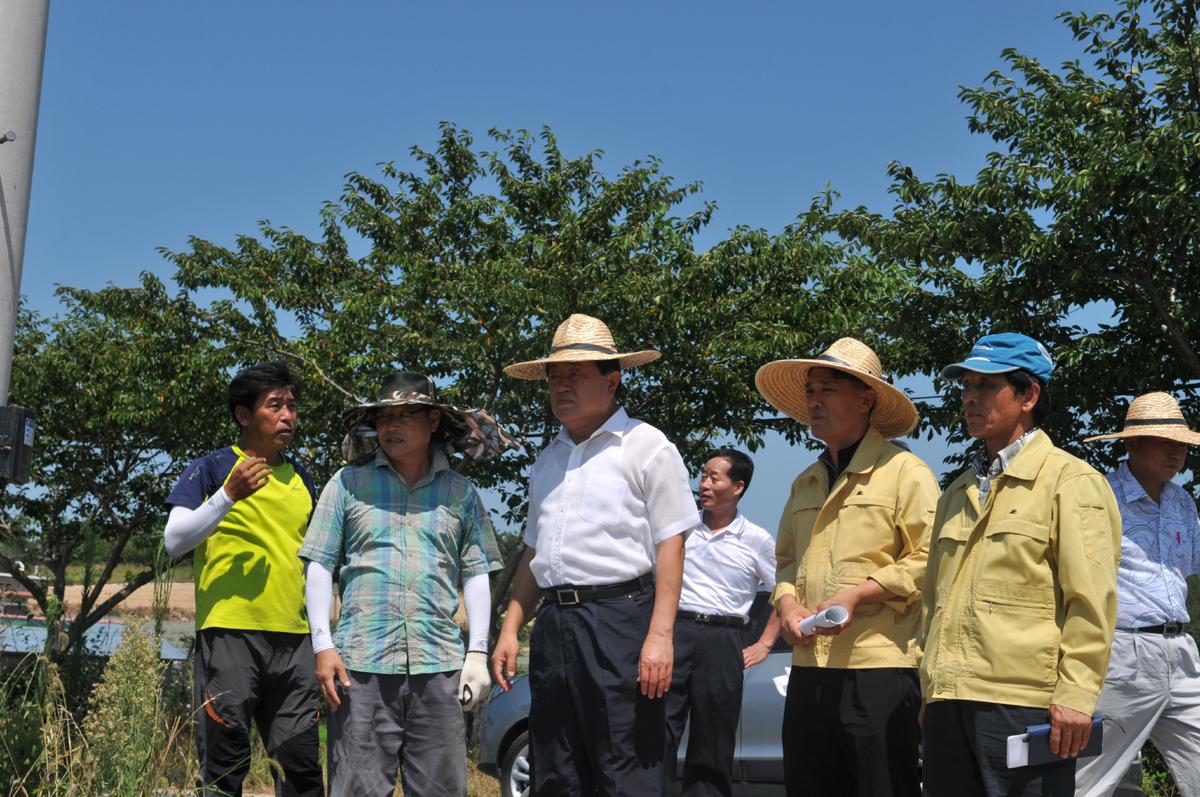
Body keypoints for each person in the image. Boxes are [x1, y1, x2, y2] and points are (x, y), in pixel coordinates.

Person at [491, 314, 700, 797]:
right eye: (554, 377)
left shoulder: (648, 446)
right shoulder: (548, 460)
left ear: (613, 378)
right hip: (555, 628)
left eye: (575, 375)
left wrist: (660, 637)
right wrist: (509, 628)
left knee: (627, 768)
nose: (561, 386)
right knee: (557, 768)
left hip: (622, 621)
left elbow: (673, 543)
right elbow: (533, 554)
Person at [921, 333, 1121, 797]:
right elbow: (931, 600)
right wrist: (929, 684)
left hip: (1023, 703)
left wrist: (1075, 695)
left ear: (1029, 395)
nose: (970, 396)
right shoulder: (956, 490)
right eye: (966, 385)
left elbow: (1090, 602)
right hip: (949, 699)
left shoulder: (1071, 481)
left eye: (987, 386)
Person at [298, 371, 506, 797]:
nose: (391, 425)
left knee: (440, 790)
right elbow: (319, 565)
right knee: (356, 789)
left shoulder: (460, 493)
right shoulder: (347, 484)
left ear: (432, 422)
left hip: (440, 666)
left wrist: (478, 653)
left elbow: (477, 572)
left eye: (406, 415)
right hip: (360, 665)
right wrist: (322, 644)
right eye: (385, 416)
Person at [756, 337, 939, 797]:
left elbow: (930, 559)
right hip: (807, 669)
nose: (814, 401)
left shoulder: (905, 472)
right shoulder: (805, 481)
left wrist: (859, 594)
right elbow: (785, 563)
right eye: (811, 391)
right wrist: (789, 606)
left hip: (878, 667)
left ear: (866, 399)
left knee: (882, 787)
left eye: (827, 390)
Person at [163, 361, 323, 797]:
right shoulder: (212, 469)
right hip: (229, 636)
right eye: (275, 406)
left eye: (292, 406)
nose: (288, 415)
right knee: (224, 766)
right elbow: (174, 540)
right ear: (243, 415)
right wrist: (228, 496)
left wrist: (325, 637)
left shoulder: (303, 479)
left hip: (296, 642)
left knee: (301, 768)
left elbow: (317, 564)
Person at [1074, 392, 1200, 796]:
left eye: (1181, 444)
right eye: (1165, 442)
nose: (1176, 452)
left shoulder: (1183, 502)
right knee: (1090, 779)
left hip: (1181, 649)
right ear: (1131, 444)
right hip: (1122, 652)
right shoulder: (1098, 497)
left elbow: (1187, 575)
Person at [663, 448, 780, 797]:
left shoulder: (757, 539)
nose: (704, 484)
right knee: (657, 731)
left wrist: (764, 643)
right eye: (702, 476)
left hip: (723, 640)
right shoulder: (679, 530)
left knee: (713, 738)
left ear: (738, 486)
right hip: (674, 634)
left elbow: (785, 592)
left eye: (715, 477)